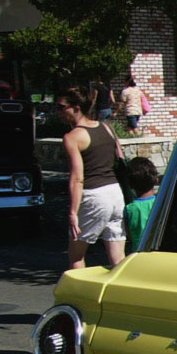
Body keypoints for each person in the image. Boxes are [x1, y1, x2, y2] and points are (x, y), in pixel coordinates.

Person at [58, 87, 125, 271]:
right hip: (114, 193)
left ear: (76, 107)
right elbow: (120, 158)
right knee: (118, 257)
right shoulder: (107, 128)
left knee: (76, 256)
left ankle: (78, 297)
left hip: (93, 195)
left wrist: (73, 212)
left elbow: (77, 178)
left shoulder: (73, 137)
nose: (58, 112)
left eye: (61, 107)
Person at [122, 156, 158, 252]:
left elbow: (129, 234)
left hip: (139, 253)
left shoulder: (129, 209)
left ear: (130, 184)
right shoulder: (160, 203)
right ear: (155, 179)